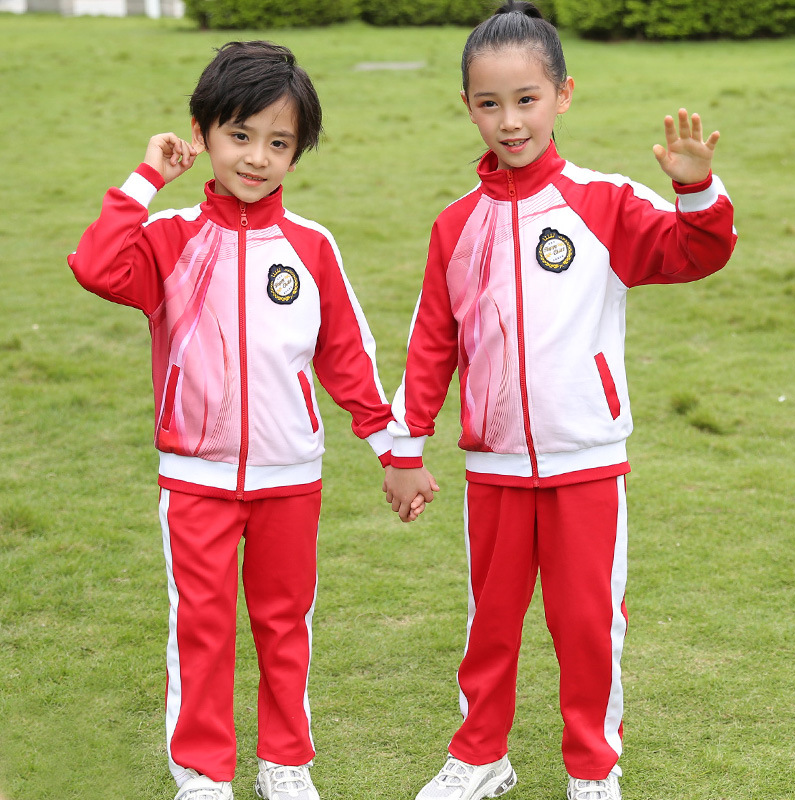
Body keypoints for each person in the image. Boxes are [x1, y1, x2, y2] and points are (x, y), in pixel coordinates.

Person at [383, 3, 736, 799]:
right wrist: (407, 452)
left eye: (527, 99)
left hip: (587, 461)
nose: (509, 121)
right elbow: (431, 344)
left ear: (563, 95)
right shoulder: (455, 226)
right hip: (494, 466)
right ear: (467, 105)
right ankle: (480, 758)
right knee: (490, 626)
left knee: (587, 628)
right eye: (489, 103)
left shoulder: (604, 202)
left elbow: (695, 252)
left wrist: (696, 190)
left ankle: (592, 771)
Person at [68, 41, 411, 800]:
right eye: (241, 135)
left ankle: (285, 765)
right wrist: (146, 177)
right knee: (204, 627)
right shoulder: (168, 241)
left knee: (286, 626)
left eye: (279, 143)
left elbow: (347, 355)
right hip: (195, 480)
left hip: (293, 477)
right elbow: (95, 265)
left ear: (299, 151)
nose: (257, 158)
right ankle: (202, 775)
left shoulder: (313, 247)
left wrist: (391, 449)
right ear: (204, 132)